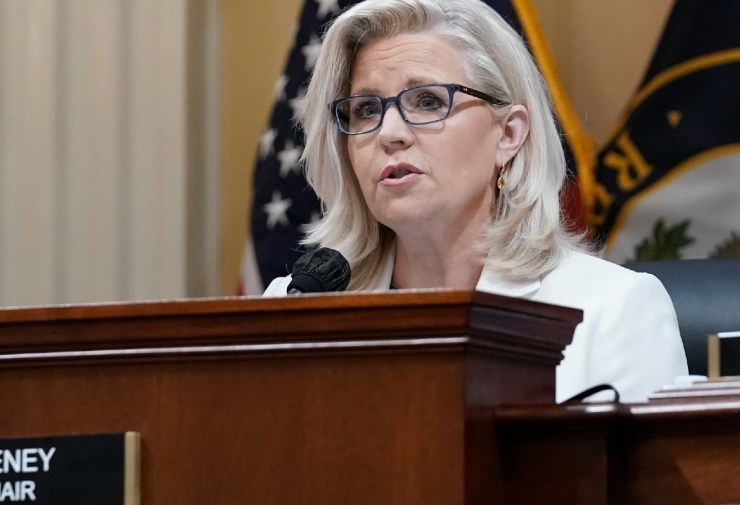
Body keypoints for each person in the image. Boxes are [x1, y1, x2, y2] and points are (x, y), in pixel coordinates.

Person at [264, 0, 687, 402]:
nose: (389, 132)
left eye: (428, 101)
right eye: (366, 110)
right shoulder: (294, 307)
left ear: (508, 135)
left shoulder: (611, 312)